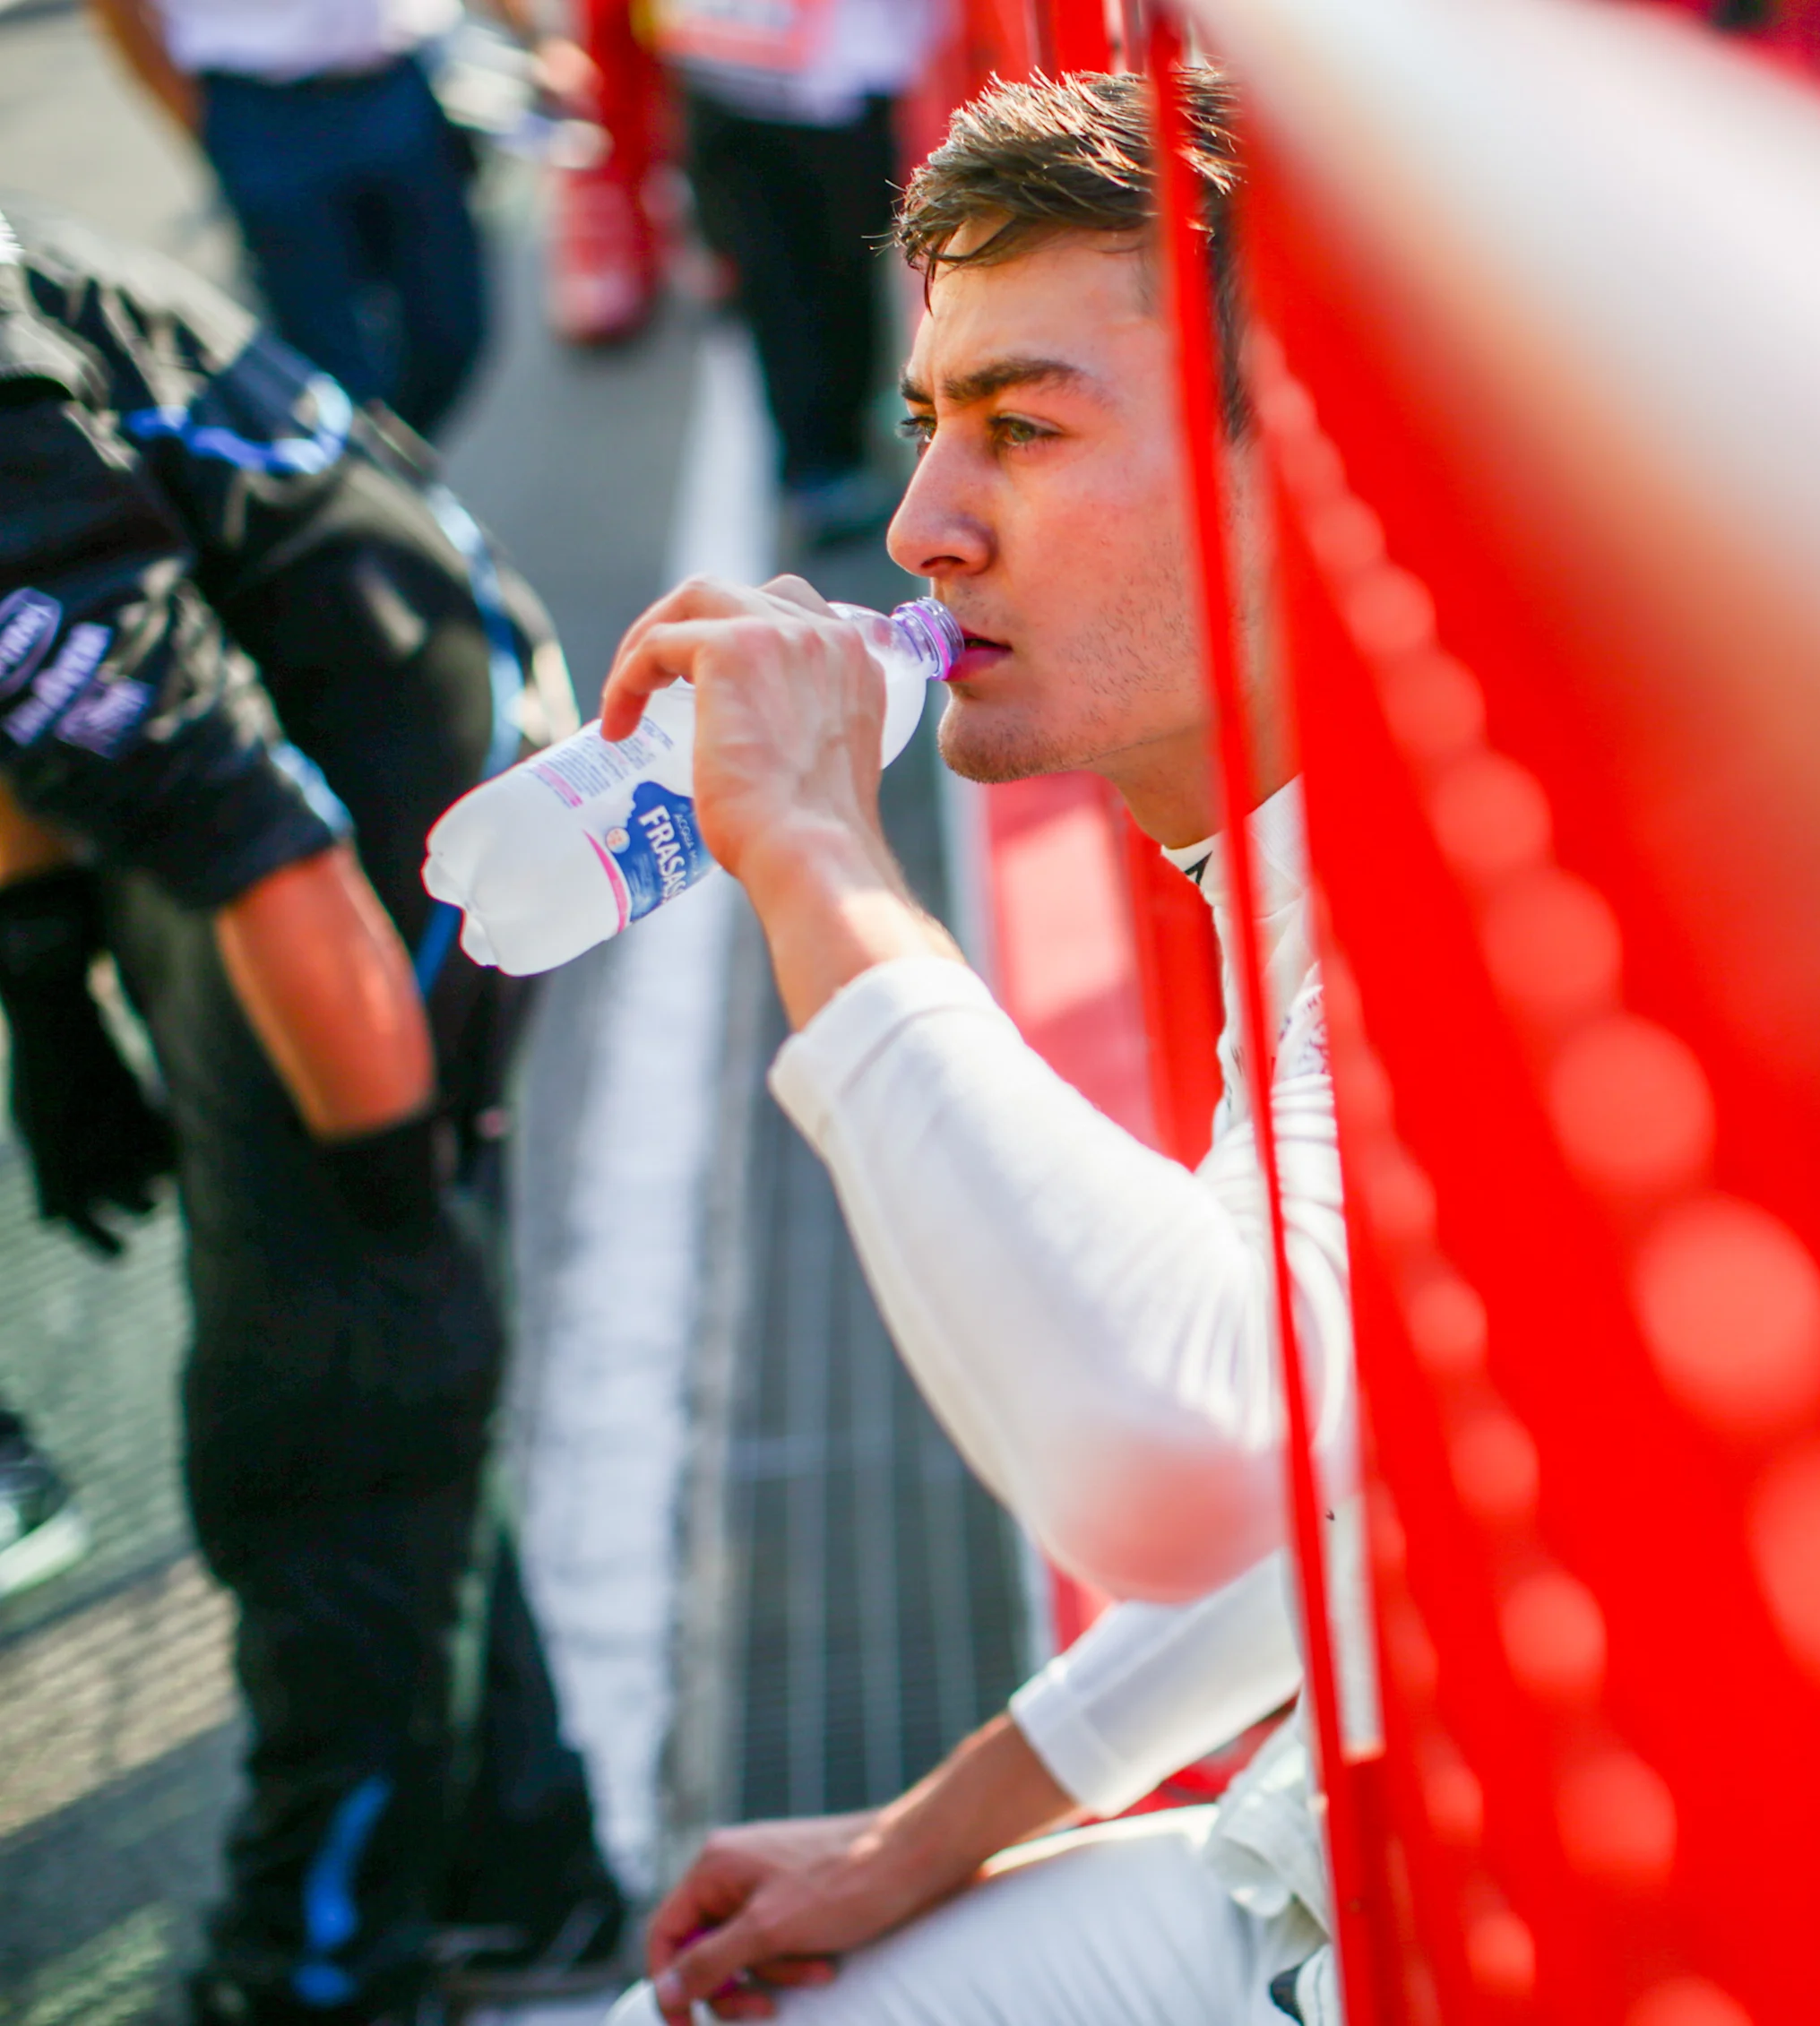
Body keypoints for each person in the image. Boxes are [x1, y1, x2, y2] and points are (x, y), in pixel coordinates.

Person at [583, 68, 1368, 2026]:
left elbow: (1189, 1453)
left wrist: (819, 852)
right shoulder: (1315, 837)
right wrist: (938, 1825)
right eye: (932, 421)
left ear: (1308, 466)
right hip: (1348, 1850)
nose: (926, 525)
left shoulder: (1443, 891)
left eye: (1022, 426)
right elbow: (1357, 1478)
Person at [0, 204, 624, 2021]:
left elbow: (262, 850)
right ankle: (518, 1858)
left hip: (395, 815)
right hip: (311, 691)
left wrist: (380, 1209)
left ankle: (320, 1968)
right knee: (365, 1399)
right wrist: (45, 974)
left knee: (337, 1404)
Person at [85, 0, 594, 439]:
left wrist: (535, 40)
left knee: (452, 326)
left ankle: (375, 476)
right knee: (330, 359)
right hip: (259, 110)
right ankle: (367, 493)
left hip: (395, 85)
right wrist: (207, 127)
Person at [659, 0, 943, 547]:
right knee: (811, 279)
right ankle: (822, 465)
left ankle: (826, 457)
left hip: (739, 59)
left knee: (801, 276)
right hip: (790, 72)